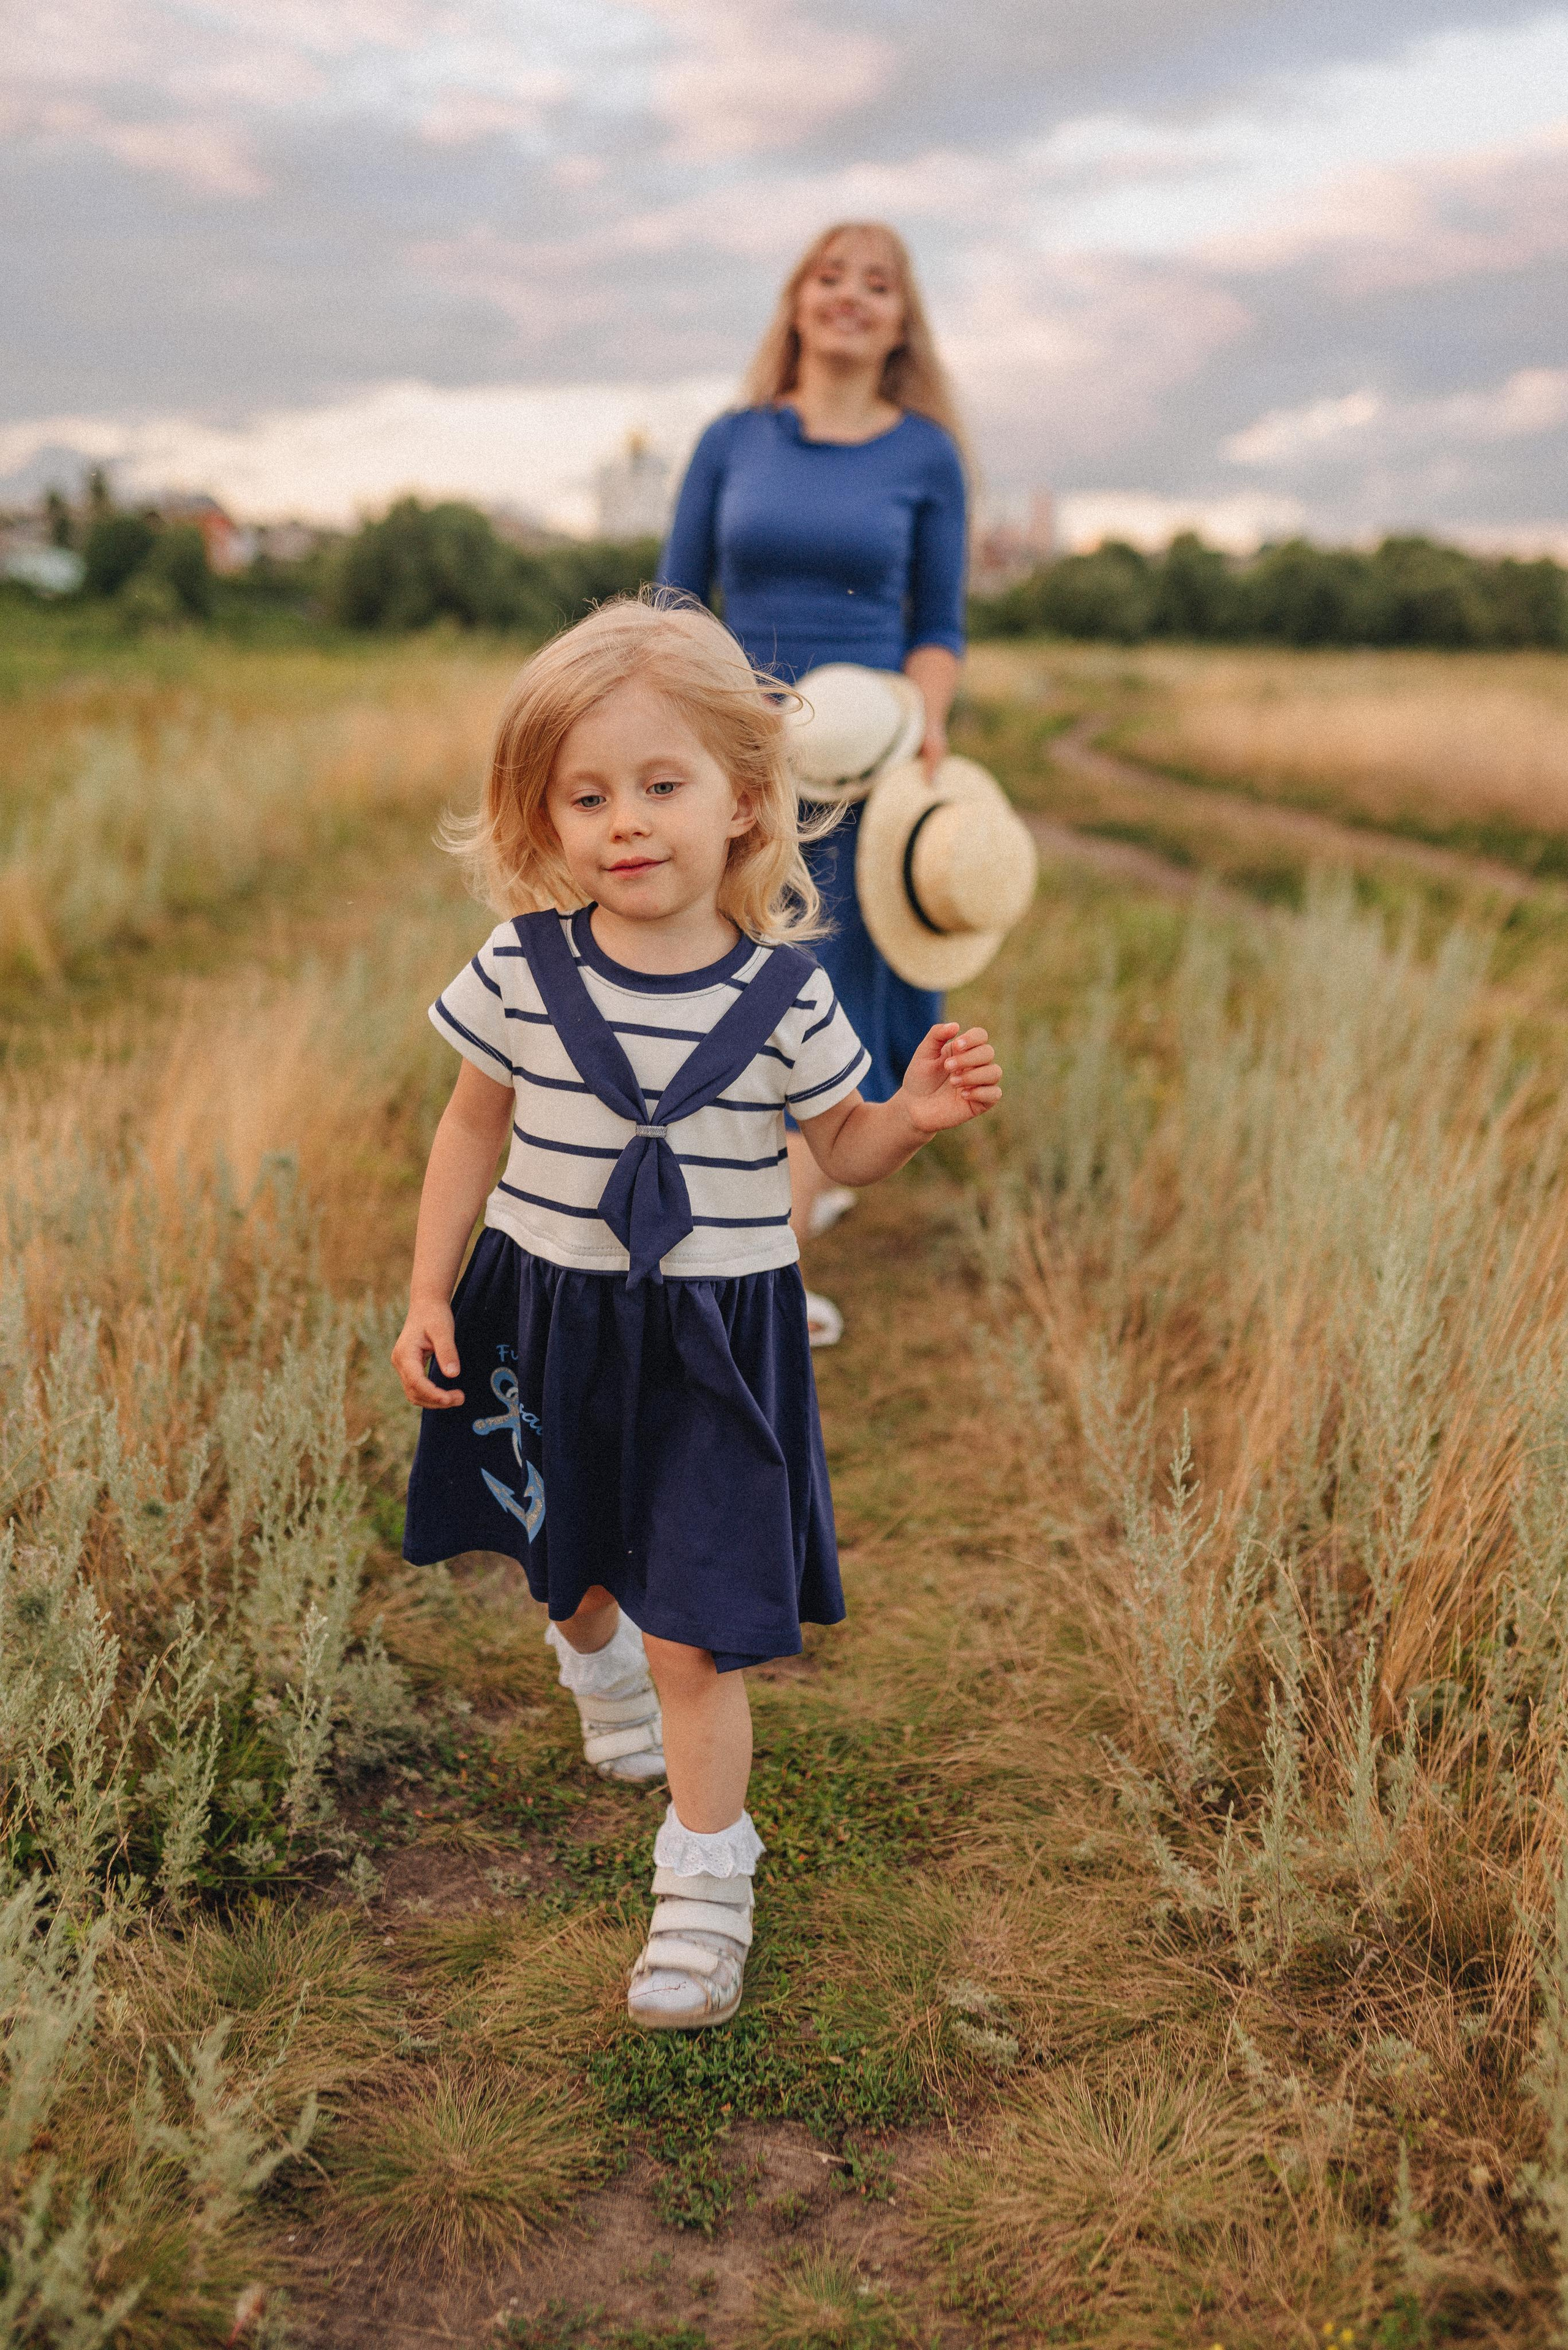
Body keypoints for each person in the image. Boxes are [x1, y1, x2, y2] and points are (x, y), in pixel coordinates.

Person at [390, 594, 1001, 2029]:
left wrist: (904, 1118)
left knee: (697, 1635)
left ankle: (706, 1879)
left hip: (717, 1340)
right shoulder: (520, 972)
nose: (626, 822)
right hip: (549, 1318)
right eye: (585, 794)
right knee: (574, 1561)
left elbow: (832, 1152)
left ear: (741, 798)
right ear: (540, 816)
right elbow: (468, 1130)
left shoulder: (787, 998)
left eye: (661, 785)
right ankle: (582, 1647)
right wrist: (429, 1285)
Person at [658, 220, 969, 1346]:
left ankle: (763, 1282)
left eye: (877, 283)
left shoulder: (925, 455)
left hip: (867, 772)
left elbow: (937, 625)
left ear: (901, 320)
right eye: (830, 276)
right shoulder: (733, 439)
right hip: (738, 766)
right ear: (796, 301)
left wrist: (928, 715)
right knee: (729, 995)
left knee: (814, 1008)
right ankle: (754, 1240)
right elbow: (674, 602)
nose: (851, 296)